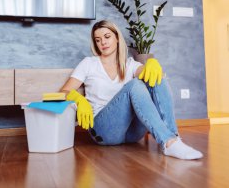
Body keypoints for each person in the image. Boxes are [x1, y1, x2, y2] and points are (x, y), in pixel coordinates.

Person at [60, 20, 203, 160]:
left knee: (157, 77)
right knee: (135, 85)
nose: (103, 42)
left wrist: (151, 64)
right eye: (98, 40)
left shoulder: (130, 64)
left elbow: (146, 74)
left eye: (107, 37)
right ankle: (169, 141)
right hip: (103, 130)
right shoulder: (89, 63)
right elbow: (63, 91)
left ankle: (173, 139)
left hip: (132, 134)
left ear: (117, 38)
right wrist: (79, 99)